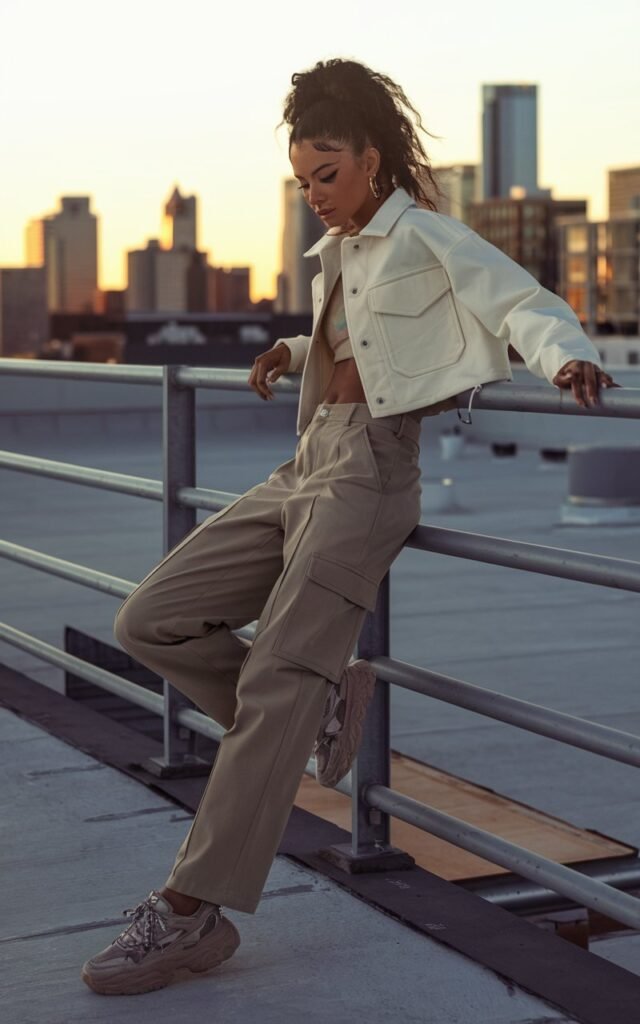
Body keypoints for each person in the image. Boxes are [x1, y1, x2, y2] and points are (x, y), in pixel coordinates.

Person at [81, 56, 618, 997]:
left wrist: (566, 358)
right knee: (149, 620)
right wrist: (293, 348)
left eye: (328, 174)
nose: (315, 196)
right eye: (302, 182)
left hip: (371, 474)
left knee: (281, 678)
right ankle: (320, 707)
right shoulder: (338, 256)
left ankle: (189, 913)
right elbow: (356, 339)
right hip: (305, 463)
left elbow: (522, 304)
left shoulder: (431, 235)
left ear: (373, 159)